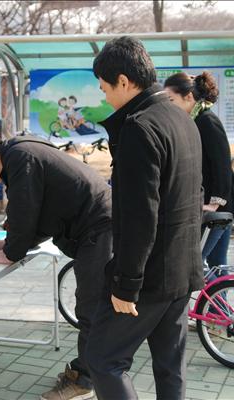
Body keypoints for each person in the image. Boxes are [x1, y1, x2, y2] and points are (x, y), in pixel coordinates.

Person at [87, 36, 204, 399]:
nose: (105, 96)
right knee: (170, 367)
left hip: (149, 278)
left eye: (105, 87)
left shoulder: (139, 127)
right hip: (182, 270)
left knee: (104, 360)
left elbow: (141, 216)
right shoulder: (181, 118)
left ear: (124, 81)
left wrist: (126, 284)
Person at [0, 128, 113, 400]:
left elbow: (24, 208)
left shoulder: (19, 158)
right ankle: (90, 369)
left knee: (90, 307)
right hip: (97, 223)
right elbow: (40, 212)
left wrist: (12, 252)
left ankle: (85, 379)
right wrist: (8, 244)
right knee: (91, 305)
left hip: (100, 227)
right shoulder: (21, 151)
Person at [164, 71, 233, 274]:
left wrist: (214, 203)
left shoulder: (206, 121)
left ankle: (210, 306)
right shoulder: (195, 120)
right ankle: (219, 307)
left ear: (188, 96)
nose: (169, 106)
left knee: (194, 265)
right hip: (219, 209)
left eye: (171, 99)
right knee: (216, 267)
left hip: (215, 209)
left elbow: (222, 166)